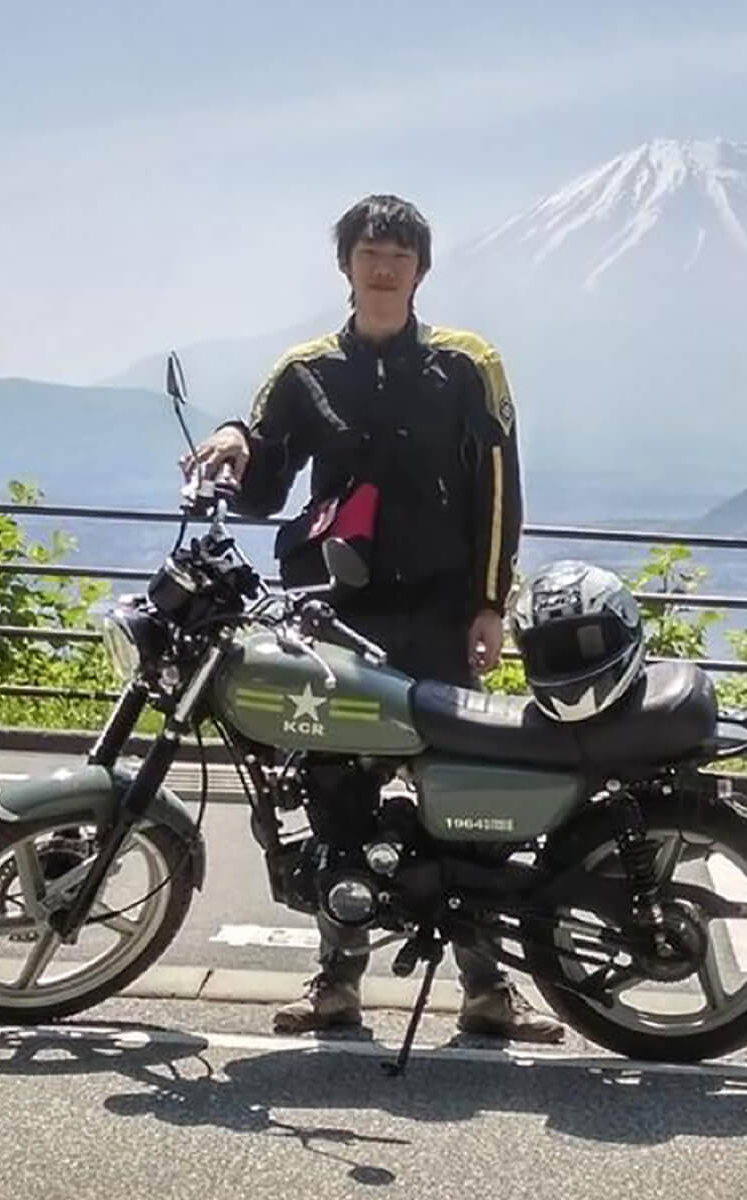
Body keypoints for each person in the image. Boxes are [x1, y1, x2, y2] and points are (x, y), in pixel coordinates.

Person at [185, 194, 564, 1044]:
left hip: (438, 612)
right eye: (369, 248)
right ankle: (336, 985)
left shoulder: (468, 363)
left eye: (399, 251)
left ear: (421, 267)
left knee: (461, 800)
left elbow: (500, 488)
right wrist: (230, 438)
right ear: (346, 263)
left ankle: (488, 991)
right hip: (331, 615)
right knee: (335, 797)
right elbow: (261, 482)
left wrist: (491, 603)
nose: (383, 263)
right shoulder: (306, 368)